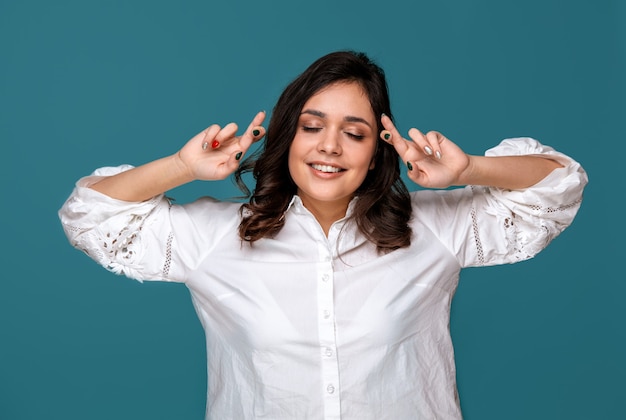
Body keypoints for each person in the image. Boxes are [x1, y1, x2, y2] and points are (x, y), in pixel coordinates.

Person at [58, 50, 587, 419]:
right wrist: (181, 165)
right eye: (312, 127)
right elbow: (89, 214)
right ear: (289, 137)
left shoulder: (434, 230)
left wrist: (469, 168)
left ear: (378, 149)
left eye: (353, 133)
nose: (329, 146)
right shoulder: (215, 238)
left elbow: (558, 186)